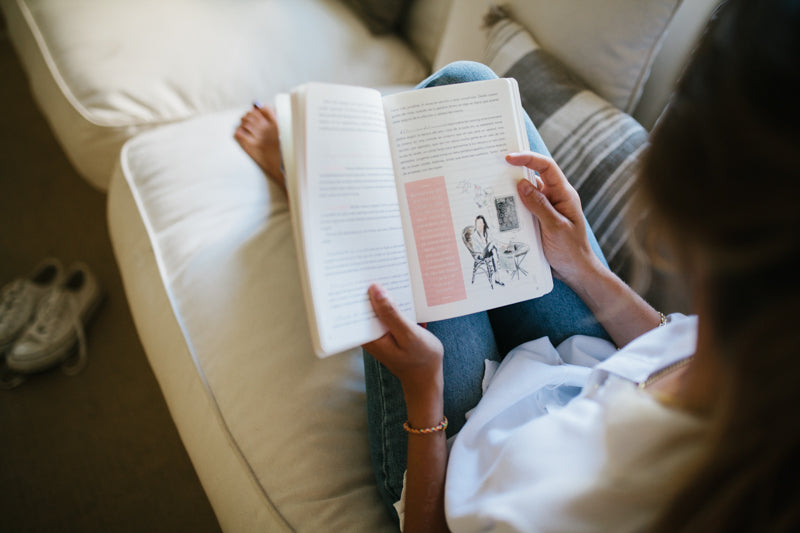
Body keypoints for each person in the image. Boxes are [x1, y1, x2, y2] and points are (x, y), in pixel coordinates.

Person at [235, 0, 800, 530]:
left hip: (456, 436)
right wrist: (582, 265)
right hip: (582, 368)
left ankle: (315, 195)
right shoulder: (764, 337)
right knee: (464, 88)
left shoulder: (594, 507)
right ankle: (331, 198)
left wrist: (423, 390)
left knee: (408, 249)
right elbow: (664, 347)